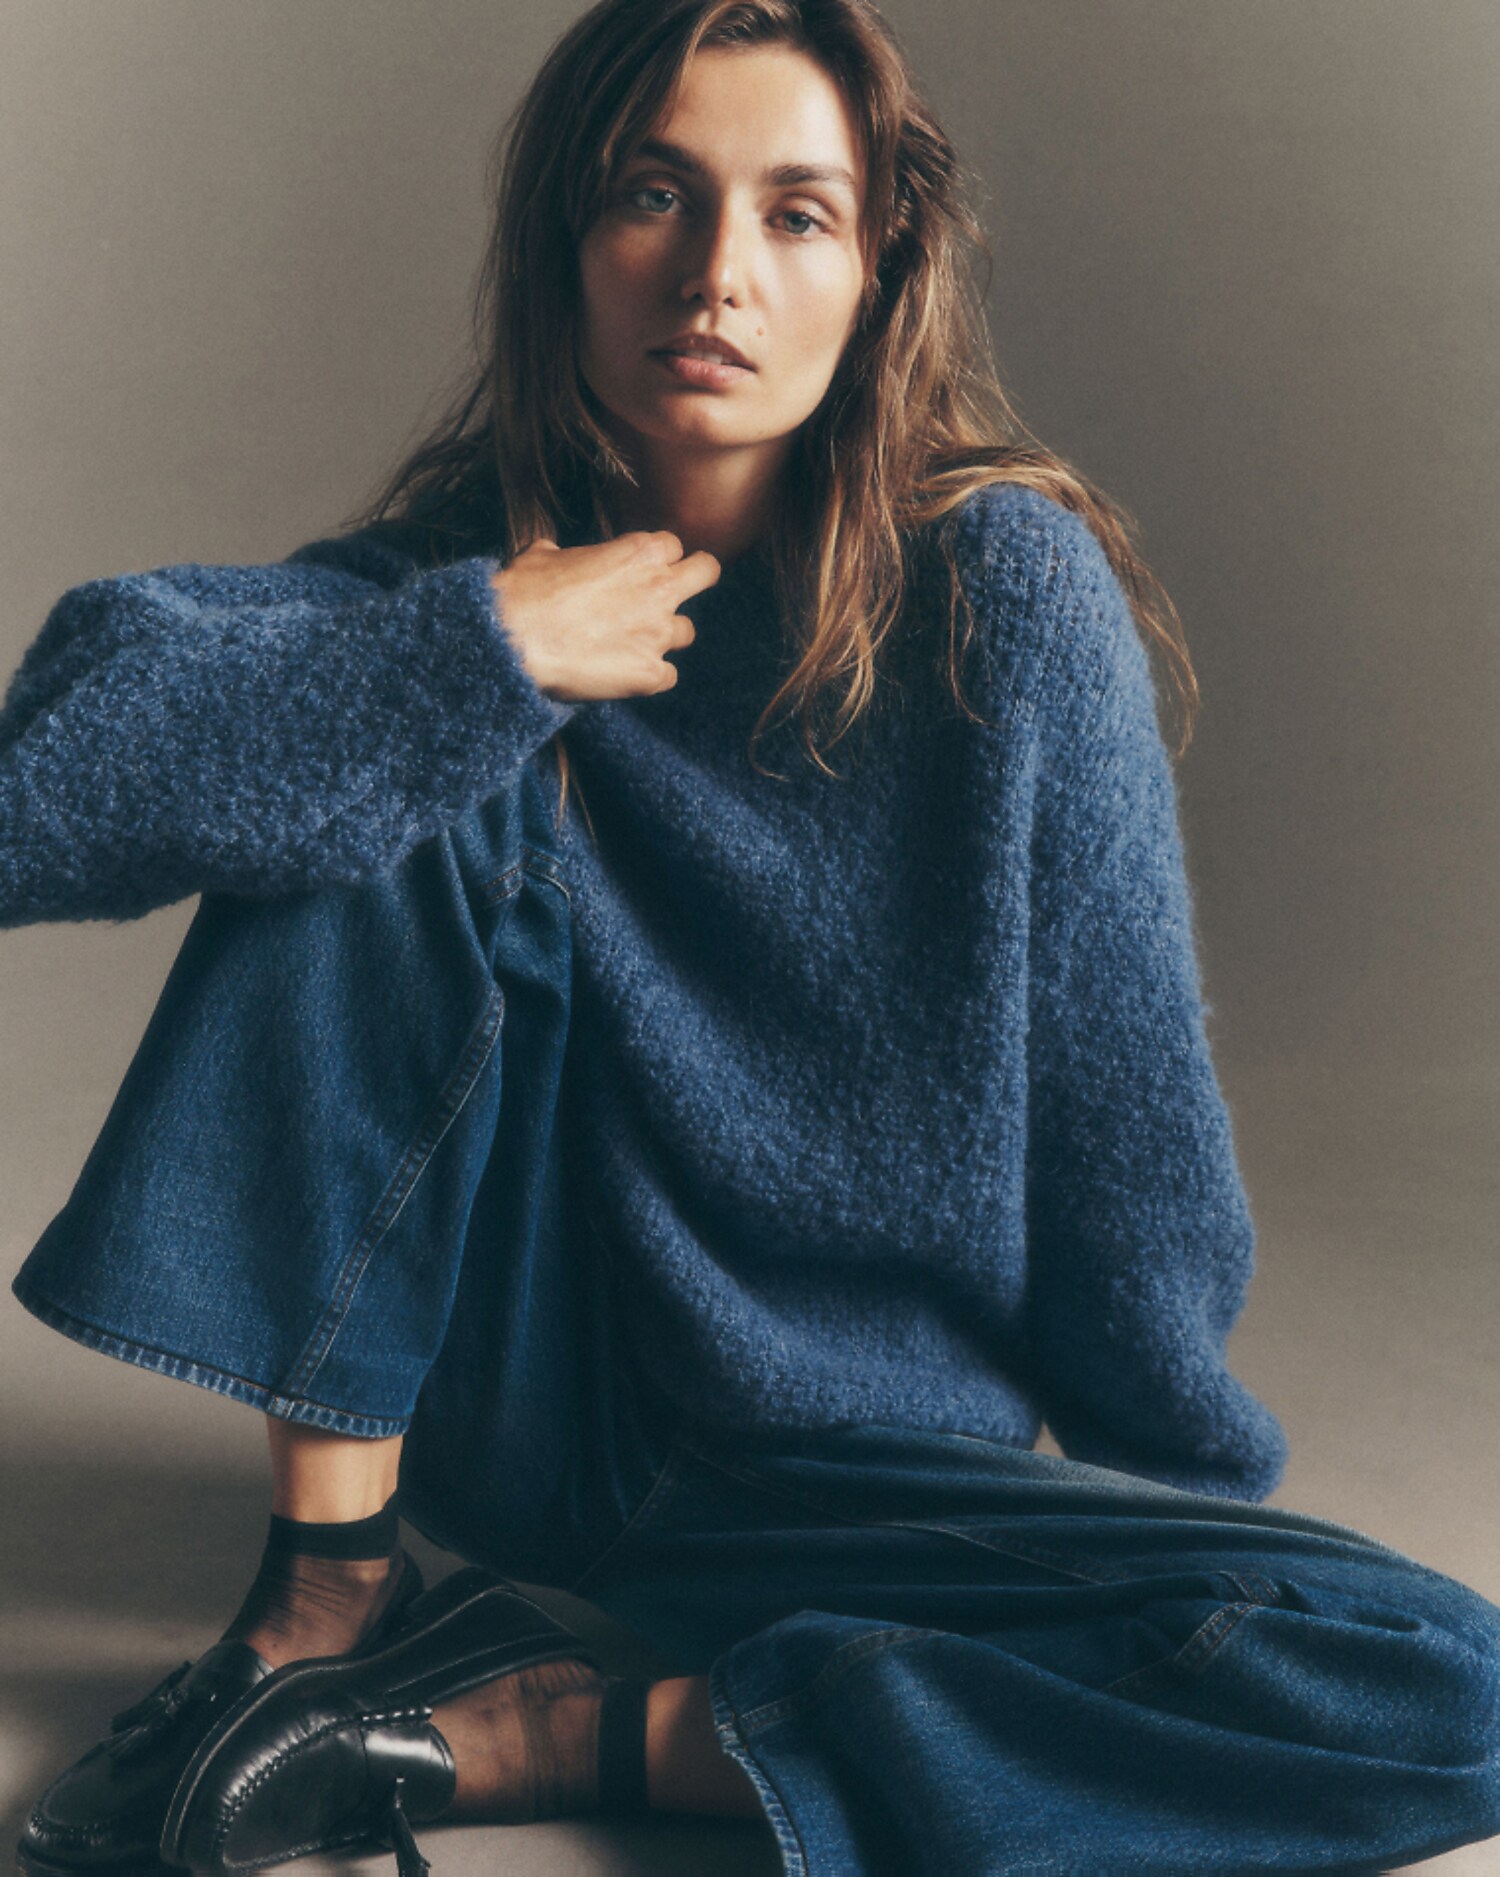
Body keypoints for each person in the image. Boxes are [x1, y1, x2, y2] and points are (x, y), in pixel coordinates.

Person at [5, 0, 1499, 1872]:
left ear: (880, 273)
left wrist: (1137, 1555)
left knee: (1456, 1685)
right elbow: (38, 791)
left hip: (844, 1470)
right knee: (399, 736)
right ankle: (328, 1598)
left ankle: (563, 1734)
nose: (718, 273)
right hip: (540, 1408)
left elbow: (1131, 1135)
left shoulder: (1000, 601)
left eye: (797, 214)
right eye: (656, 194)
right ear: (570, 241)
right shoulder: (477, 576)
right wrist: (475, 659)